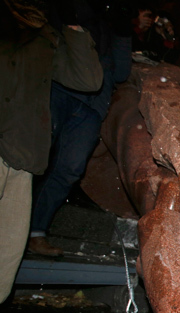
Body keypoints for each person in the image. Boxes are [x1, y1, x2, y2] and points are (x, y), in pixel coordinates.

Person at [0, 0, 103, 301]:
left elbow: (88, 79)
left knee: (8, 247)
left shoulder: (46, 34)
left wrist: (72, 27)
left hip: (22, 153)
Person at [28, 1, 132, 257]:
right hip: (57, 88)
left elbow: (120, 72)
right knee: (31, 159)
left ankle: (35, 232)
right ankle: (12, 227)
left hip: (92, 104)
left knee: (70, 169)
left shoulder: (107, 21)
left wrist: (122, 30)